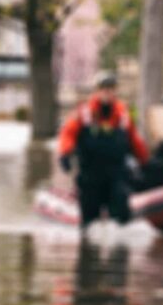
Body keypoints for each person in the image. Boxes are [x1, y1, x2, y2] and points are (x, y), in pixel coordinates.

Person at [58, 73, 149, 227]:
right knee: (89, 220)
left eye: (111, 88)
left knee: (121, 211)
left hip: (116, 174)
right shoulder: (84, 113)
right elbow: (68, 133)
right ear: (97, 91)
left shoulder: (122, 115)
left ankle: (120, 246)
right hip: (91, 175)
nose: (107, 92)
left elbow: (134, 141)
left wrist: (146, 162)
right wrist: (65, 154)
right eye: (104, 88)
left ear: (115, 91)